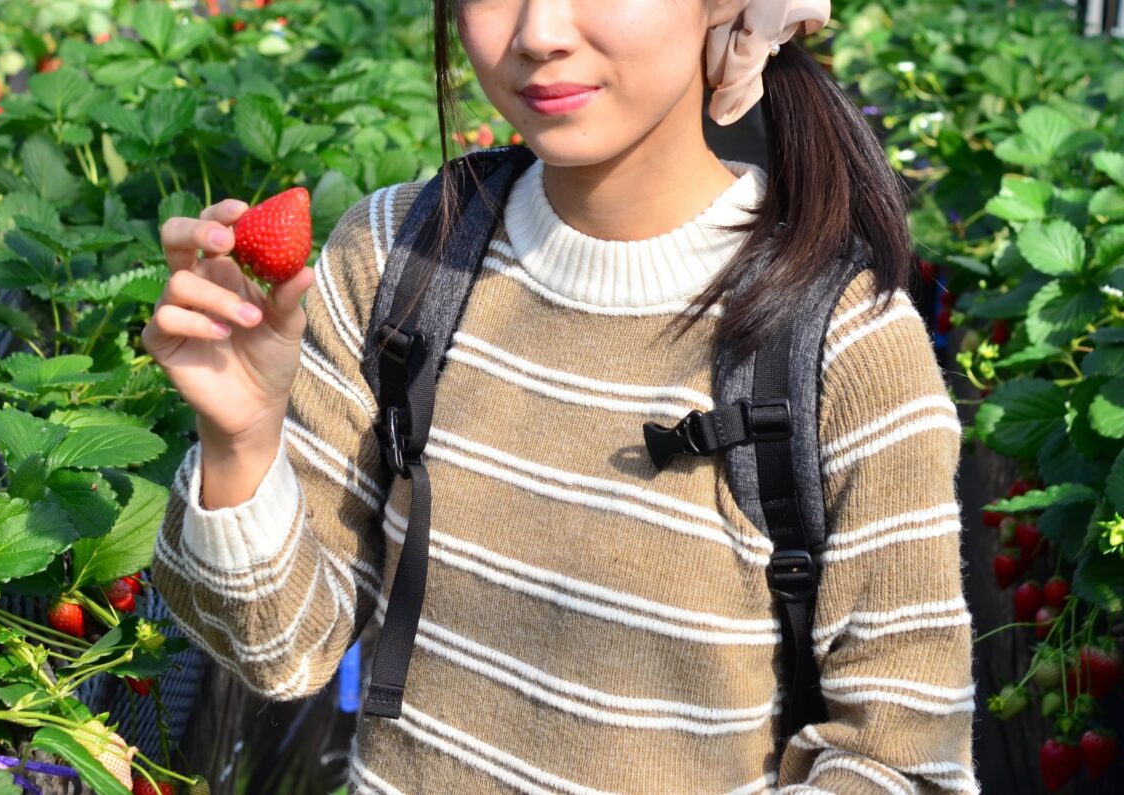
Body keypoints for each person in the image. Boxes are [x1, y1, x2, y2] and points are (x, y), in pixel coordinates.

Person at [143, 0, 976, 792]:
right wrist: (241, 444)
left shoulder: (845, 344)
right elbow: (283, 648)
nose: (538, 32)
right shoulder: (401, 251)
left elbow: (903, 759)